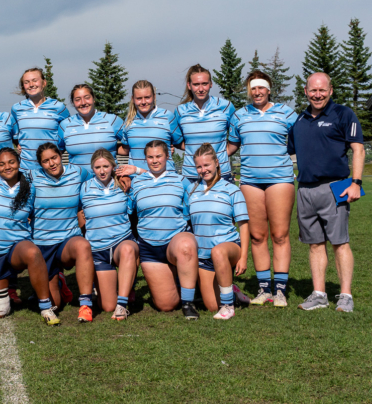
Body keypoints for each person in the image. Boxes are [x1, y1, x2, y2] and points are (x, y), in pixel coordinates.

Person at [287, 72, 364, 313]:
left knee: (340, 243)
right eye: (313, 90)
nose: (317, 95)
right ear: (305, 91)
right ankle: (319, 294)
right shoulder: (299, 120)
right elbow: (289, 152)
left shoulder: (343, 114)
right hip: (305, 190)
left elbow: (358, 149)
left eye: (322, 90)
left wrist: (356, 182)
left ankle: (346, 295)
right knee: (314, 244)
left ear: (330, 91)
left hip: (335, 187)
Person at [226, 70, 297, 307]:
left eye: (261, 88)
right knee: (257, 236)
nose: (257, 92)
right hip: (250, 182)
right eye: (253, 88)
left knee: (280, 235)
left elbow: (301, 140)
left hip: (280, 180)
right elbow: (232, 146)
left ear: (269, 89)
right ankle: (264, 289)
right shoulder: (239, 115)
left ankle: (280, 291)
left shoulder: (286, 113)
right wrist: (209, 157)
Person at [0, 147, 59, 325]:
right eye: (1, 164)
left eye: (11, 162)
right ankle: (7, 289)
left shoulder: (30, 187)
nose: (7, 167)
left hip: (17, 248)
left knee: (33, 252)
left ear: (19, 163)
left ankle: (45, 307)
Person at [126, 140, 200, 319]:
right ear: (145, 159)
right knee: (166, 305)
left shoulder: (181, 181)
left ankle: (188, 302)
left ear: (167, 156)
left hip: (175, 242)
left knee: (186, 244)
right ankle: (180, 282)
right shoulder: (136, 183)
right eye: (150, 157)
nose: (155, 160)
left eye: (159, 156)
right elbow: (128, 211)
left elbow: (193, 209)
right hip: (149, 247)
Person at [28, 143, 97, 322]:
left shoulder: (78, 172)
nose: (51, 163)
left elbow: (100, 176)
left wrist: (126, 177)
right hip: (43, 243)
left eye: (54, 157)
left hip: (68, 238)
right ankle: (59, 279)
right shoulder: (31, 176)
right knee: (55, 304)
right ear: (40, 164)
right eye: (45, 161)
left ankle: (85, 305)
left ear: (61, 156)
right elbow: (9, 177)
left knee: (83, 246)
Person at [187, 144, 250, 321]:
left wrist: (243, 257)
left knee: (218, 251)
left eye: (207, 165)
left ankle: (228, 307)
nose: (203, 170)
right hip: (203, 256)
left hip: (228, 249)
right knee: (212, 306)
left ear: (216, 163)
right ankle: (232, 290)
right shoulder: (191, 190)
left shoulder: (232, 190)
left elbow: (244, 225)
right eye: (199, 166)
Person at [79, 149, 138, 319]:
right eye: (97, 167)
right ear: (92, 168)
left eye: (106, 166)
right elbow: (77, 211)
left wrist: (131, 176)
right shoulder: (84, 187)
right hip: (98, 249)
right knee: (107, 306)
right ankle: (113, 291)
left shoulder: (124, 184)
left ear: (113, 166)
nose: (102, 171)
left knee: (128, 249)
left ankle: (122, 305)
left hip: (122, 242)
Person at [174, 65, 237, 182]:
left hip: (221, 174)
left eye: (204, 84)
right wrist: (192, 148)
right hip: (191, 176)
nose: (201, 89)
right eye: (196, 84)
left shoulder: (226, 107)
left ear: (211, 84)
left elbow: (236, 138)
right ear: (189, 86)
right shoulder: (180, 111)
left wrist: (220, 155)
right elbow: (177, 141)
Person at [11, 67, 69, 172]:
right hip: (25, 170)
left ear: (44, 83)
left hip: (51, 170)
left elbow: (68, 134)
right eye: (26, 82)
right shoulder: (16, 109)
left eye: (35, 80)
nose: (31, 84)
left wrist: (58, 153)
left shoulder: (59, 107)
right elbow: (14, 133)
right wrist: (18, 145)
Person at [57, 84, 126, 171]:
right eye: (77, 99)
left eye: (87, 98)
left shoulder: (112, 120)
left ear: (94, 99)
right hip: (76, 179)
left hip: (108, 179)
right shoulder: (64, 125)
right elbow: (57, 153)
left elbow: (130, 147)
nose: (83, 103)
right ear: (73, 103)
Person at [119, 80, 183, 172]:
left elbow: (180, 144)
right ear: (133, 99)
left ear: (154, 96)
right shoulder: (129, 121)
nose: (143, 102)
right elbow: (125, 149)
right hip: (137, 179)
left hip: (165, 178)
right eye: (139, 98)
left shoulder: (167, 116)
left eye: (147, 97)